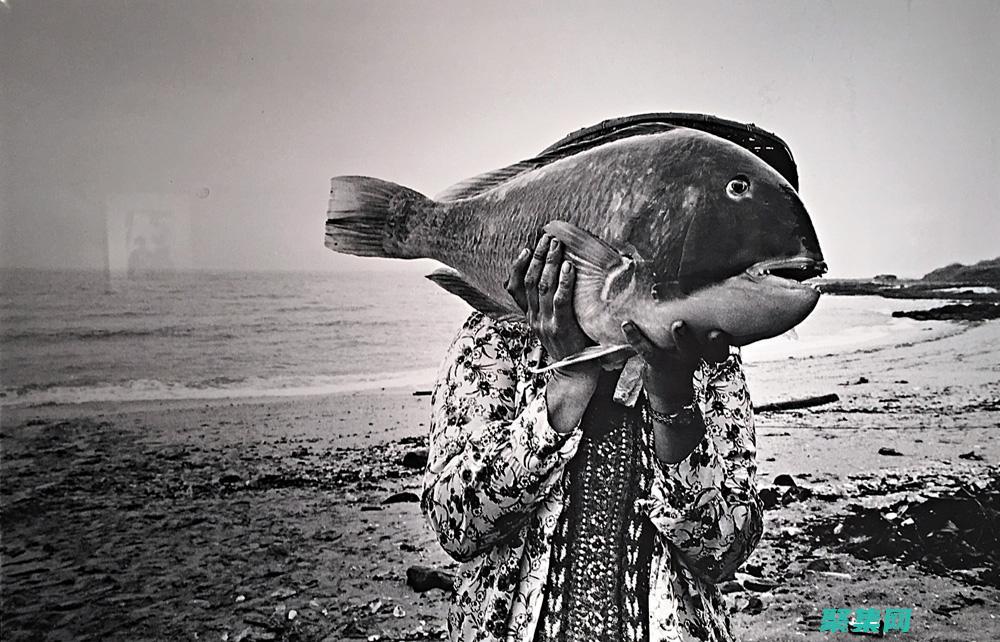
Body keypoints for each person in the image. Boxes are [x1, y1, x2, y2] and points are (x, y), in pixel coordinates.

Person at [420, 229, 763, 642]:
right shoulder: (497, 335)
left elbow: (725, 553)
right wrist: (567, 381)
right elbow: (455, 525)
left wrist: (673, 399)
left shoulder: (706, 353)